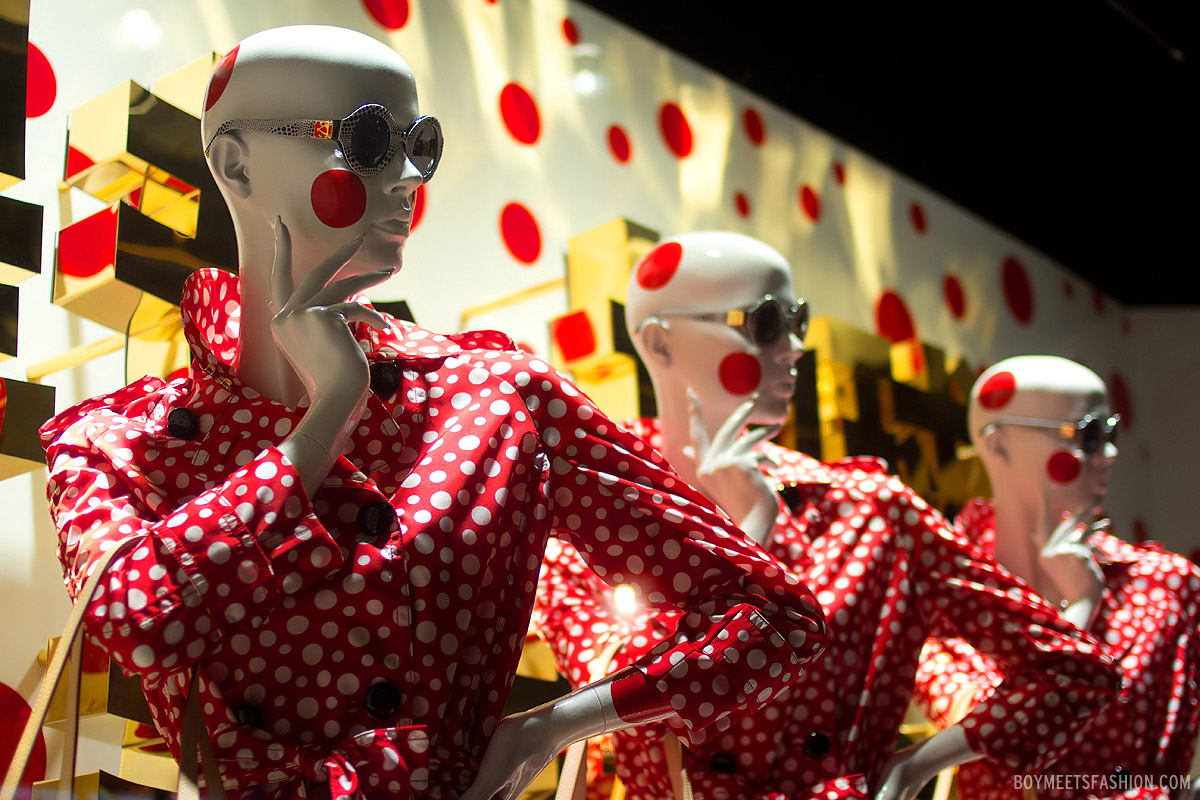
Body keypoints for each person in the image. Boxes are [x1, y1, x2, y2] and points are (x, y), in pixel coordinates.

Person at [38, 28, 830, 800]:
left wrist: (547, 728)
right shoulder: (110, 440)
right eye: (370, 140)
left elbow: (773, 617)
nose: (409, 177)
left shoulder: (498, 397)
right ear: (236, 163)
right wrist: (321, 431)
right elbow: (138, 621)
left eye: (424, 146)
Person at [532, 232, 1121, 800]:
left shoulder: (874, 511)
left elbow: (1075, 670)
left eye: (798, 322)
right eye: (765, 324)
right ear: (660, 343)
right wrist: (751, 528)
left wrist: (920, 763)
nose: (793, 348)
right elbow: (619, 688)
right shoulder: (594, 500)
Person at [913, 356, 1200, 799]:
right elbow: (1000, 732)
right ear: (999, 444)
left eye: (1111, 433)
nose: (1108, 454)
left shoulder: (1165, 586)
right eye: (1087, 434)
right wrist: (1080, 608)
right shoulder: (940, 596)